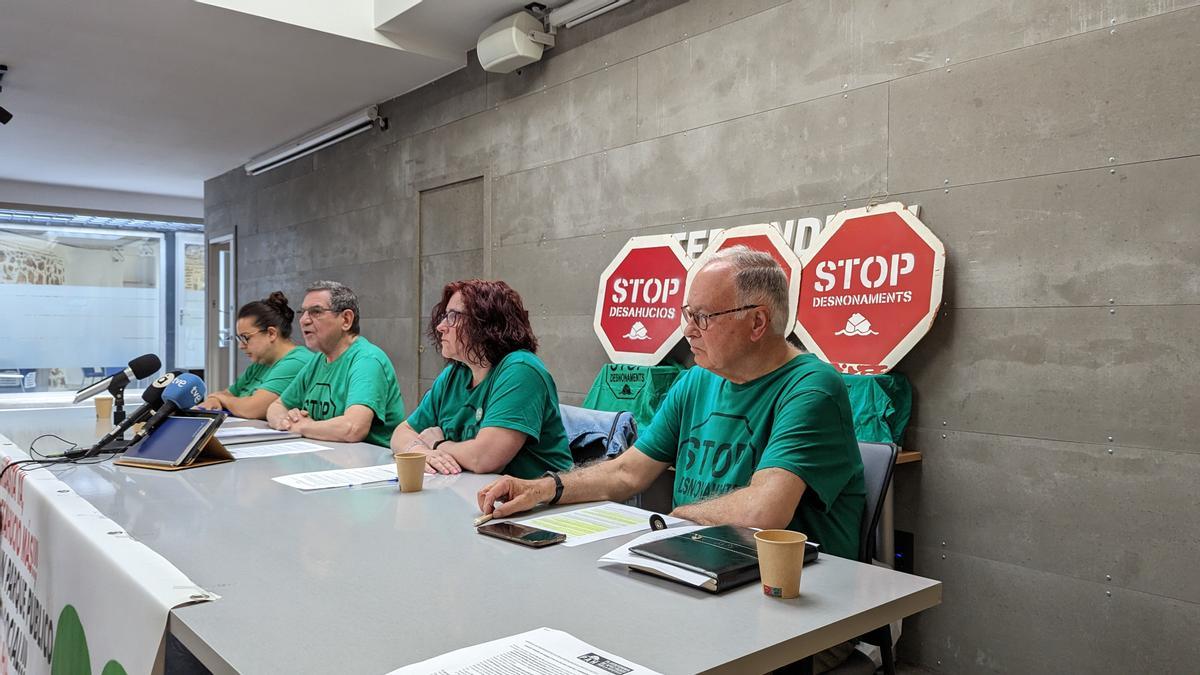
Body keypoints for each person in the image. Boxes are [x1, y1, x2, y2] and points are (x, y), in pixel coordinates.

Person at [478, 246, 866, 559]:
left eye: (702, 317)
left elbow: (762, 513)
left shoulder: (813, 388)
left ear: (757, 323)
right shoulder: (698, 379)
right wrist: (545, 488)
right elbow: (628, 473)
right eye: (686, 314)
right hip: (700, 562)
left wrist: (676, 521)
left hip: (799, 605)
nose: (687, 330)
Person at [391, 280, 573, 479]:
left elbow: (485, 458)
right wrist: (422, 453)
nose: (441, 327)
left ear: (486, 322)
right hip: (477, 494)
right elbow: (401, 433)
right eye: (444, 316)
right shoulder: (454, 374)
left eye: (453, 316)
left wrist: (438, 444)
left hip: (542, 504)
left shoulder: (521, 370)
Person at [267, 281, 405, 447]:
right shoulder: (318, 359)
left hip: (365, 464)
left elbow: (353, 428)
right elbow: (276, 406)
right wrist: (286, 421)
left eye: (315, 312)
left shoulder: (367, 360)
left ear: (346, 319)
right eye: (302, 312)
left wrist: (304, 427)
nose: (303, 320)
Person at [198, 292, 313, 419]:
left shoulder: (297, 362)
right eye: (239, 339)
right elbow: (227, 394)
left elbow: (252, 409)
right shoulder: (261, 362)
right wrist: (215, 399)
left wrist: (220, 398)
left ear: (271, 333)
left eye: (245, 337)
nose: (241, 346)